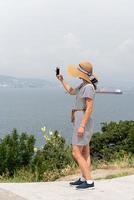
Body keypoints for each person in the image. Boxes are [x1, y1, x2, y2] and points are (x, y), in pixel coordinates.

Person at [56, 61, 98, 190]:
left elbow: (89, 108)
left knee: (76, 152)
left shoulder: (88, 87)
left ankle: (89, 181)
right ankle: (84, 178)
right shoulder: (83, 85)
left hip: (82, 120)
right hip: (80, 119)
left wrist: (82, 126)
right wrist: (62, 80)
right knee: (85, 151)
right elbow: (71, 91)